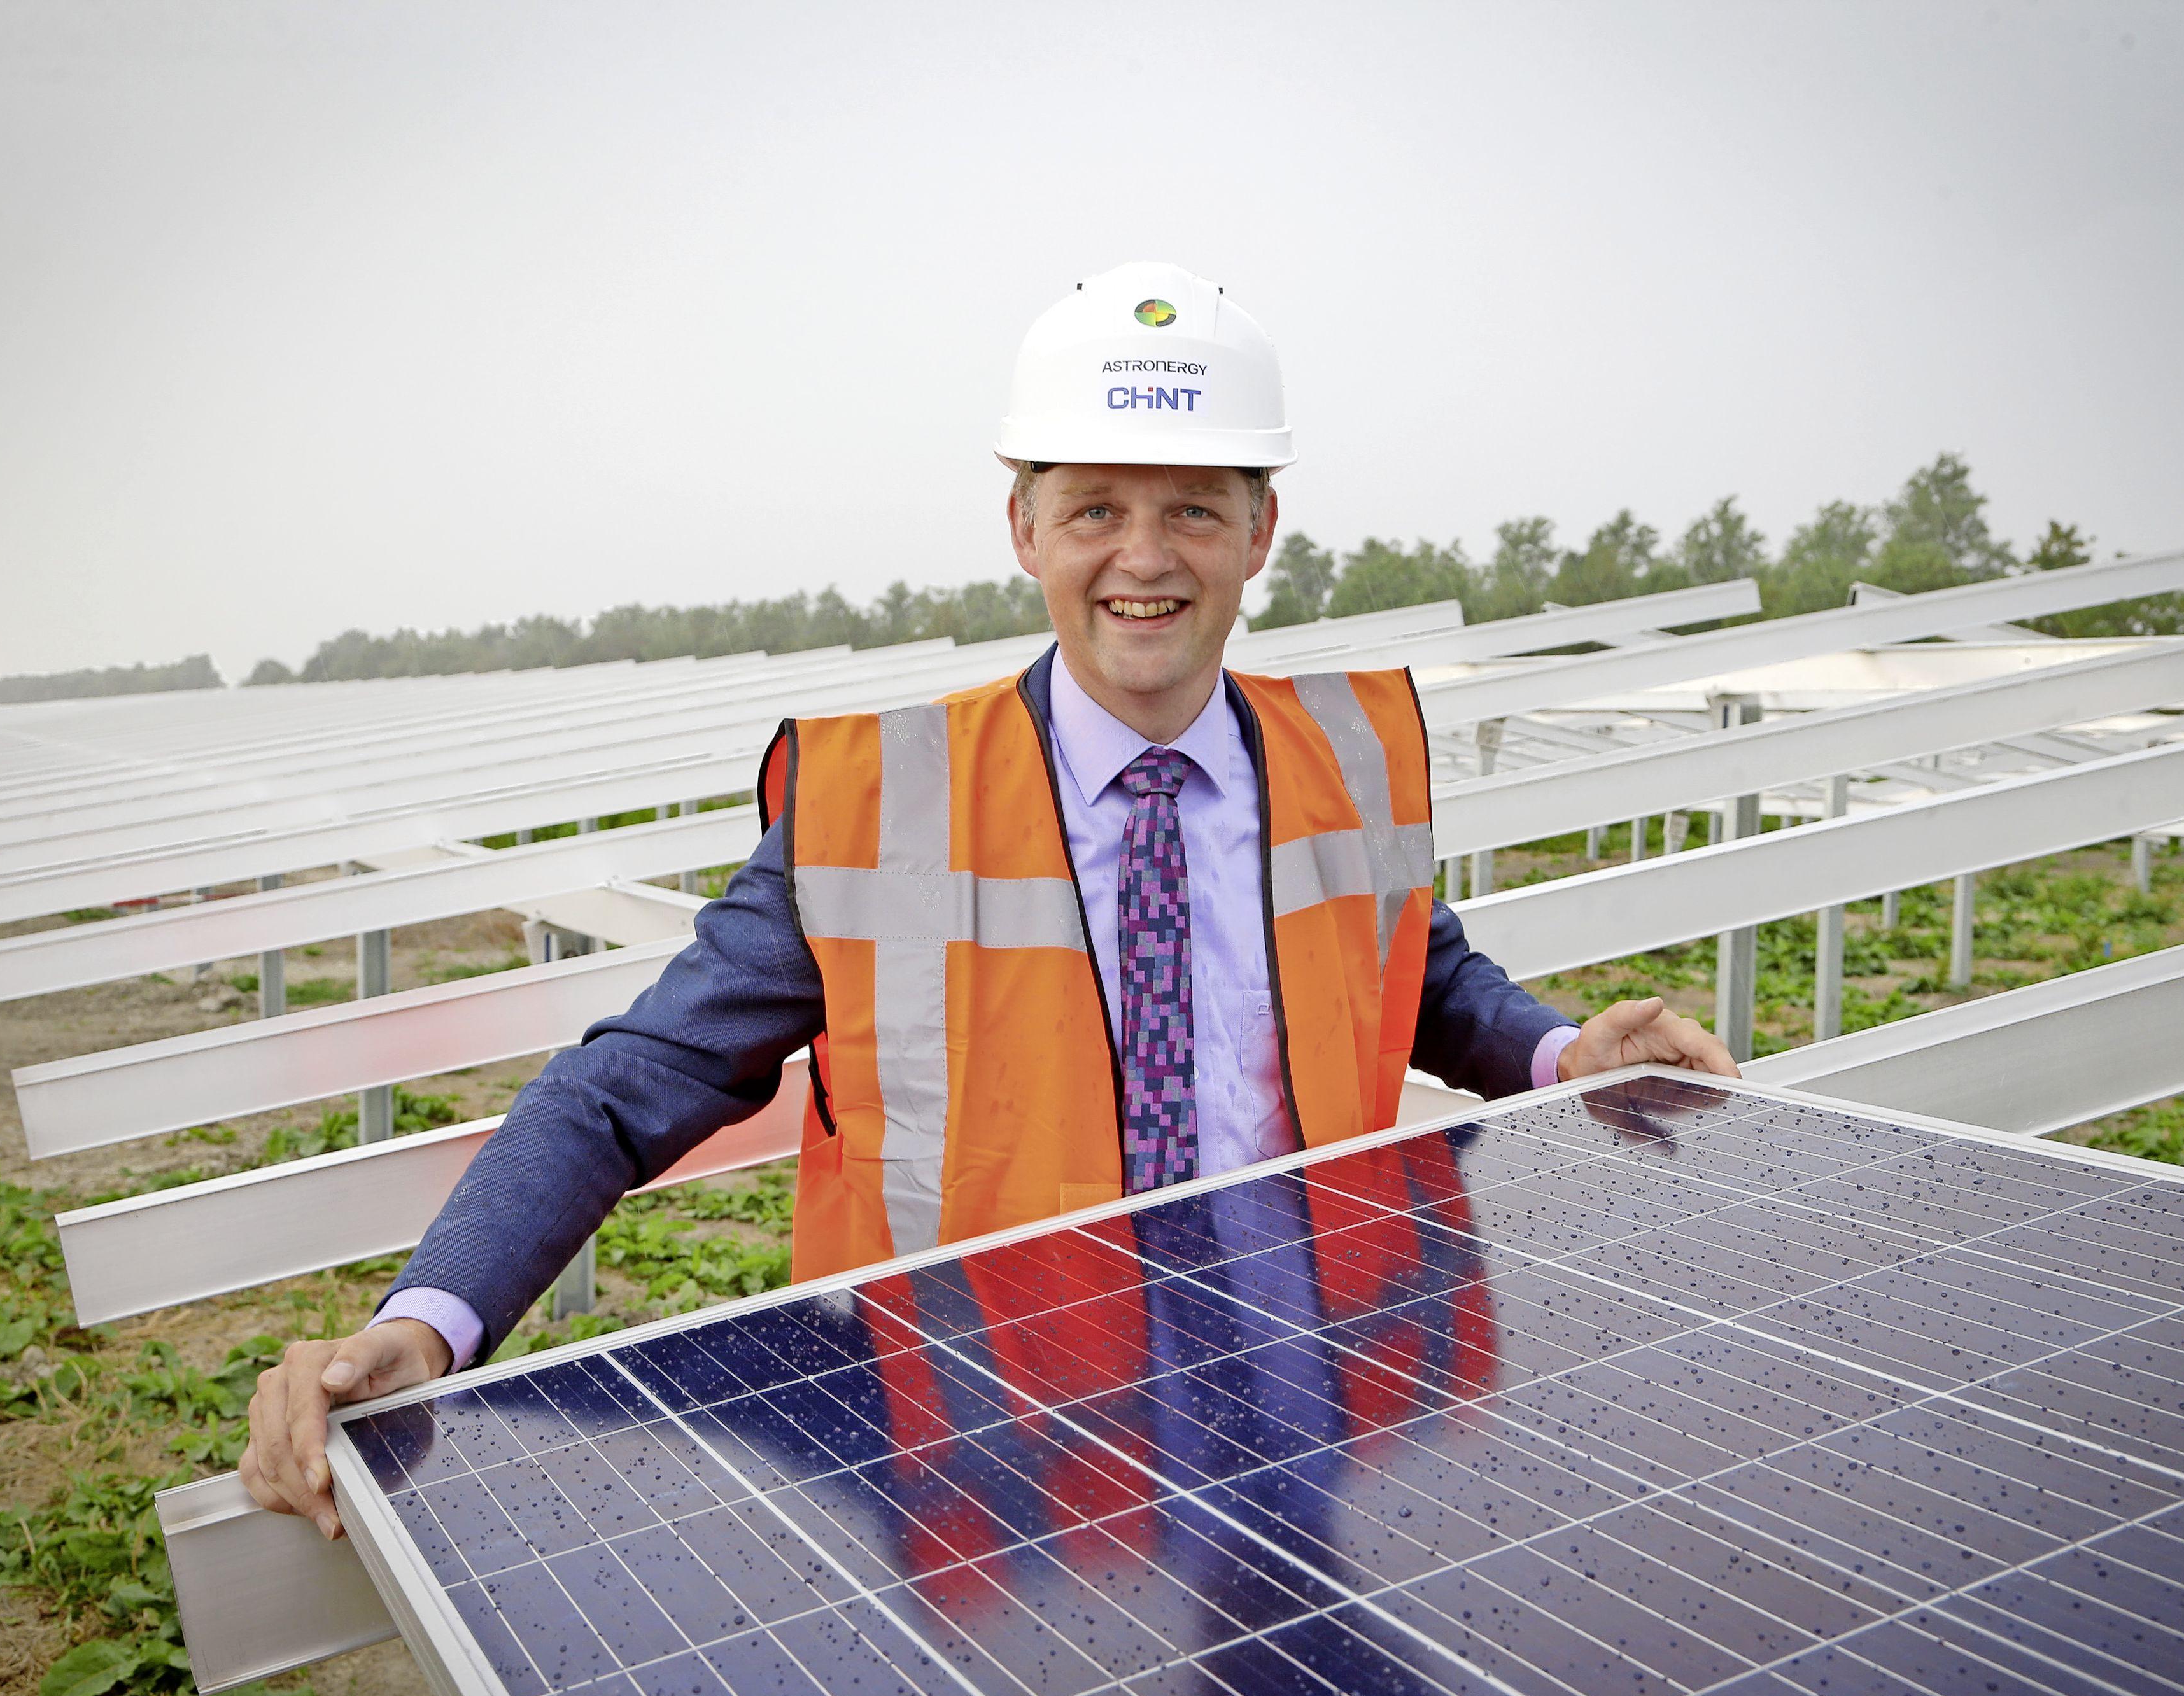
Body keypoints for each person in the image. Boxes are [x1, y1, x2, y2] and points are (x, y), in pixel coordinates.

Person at [241, 260, 1738, 1539]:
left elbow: (1421, 977)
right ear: (1023, 528)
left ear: (1261, 532)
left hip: (1307, 1389)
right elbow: (630, 1087)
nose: (1143, 560)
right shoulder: (877, 806)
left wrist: (1558, 1055)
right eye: (1094, 510)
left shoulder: (1344, 758)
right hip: (999, 1458)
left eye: (1195, 513)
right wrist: (425, 1322)